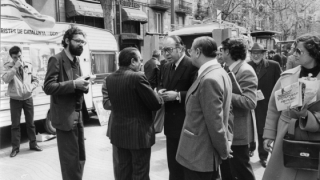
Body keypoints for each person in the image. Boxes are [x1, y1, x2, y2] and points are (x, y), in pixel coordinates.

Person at [263, 34, 320, 180]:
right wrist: (269, 135)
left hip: (314, 141)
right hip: (286, 135)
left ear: (314, 53)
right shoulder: (287, 76)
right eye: (294, 49)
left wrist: (307, 116)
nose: (294, 54)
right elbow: (273, 108)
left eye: (299, 51)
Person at [175, 36, 232, 180]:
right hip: (202, 155)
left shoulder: (209, 79)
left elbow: (215, 122)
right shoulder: (219, 72)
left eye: (191, 50)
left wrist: (224, 149)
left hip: (199, 155)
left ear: (198, 52)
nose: (190, 54)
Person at [102, 47, 162, 180]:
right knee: (140, 173)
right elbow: (155, 104)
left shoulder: (110, 78)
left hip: (119, 134)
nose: (141, 63)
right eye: (140, 60)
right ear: (133, 61)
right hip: (138, 135)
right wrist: (159, 96)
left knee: (123, 172)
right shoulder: (138, 76)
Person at [43, 26, 90, 180]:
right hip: (64, 118)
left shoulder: (76, 60)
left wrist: (84, 85)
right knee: (70, 161)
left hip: (78, 116)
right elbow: (48, 87)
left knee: (80, 158)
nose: (81, 44)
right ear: (67, 41)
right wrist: (74, 84)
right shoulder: (56, 59)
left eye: (83, 42)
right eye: (78, 41)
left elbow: (77, 84)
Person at [158, 35, 198, 180]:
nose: (166, 54)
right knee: (173, 166)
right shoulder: (166, 66)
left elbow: (198, 92)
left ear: (180, 48)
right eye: (163, 50)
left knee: (185, 166)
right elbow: (162, 84)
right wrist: (160, 90)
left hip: (186, 123)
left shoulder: (192, 65)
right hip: (170, 124)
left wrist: (177, 95)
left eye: (169, 50)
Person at [219, 38, 258, 180]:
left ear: (228, 52)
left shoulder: (245, 70)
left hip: (238, 133)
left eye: (222, 50)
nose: (219, 52)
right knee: (227, 172)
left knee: (242, 172)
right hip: (227, 130)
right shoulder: (226, 68)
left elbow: (250, 102)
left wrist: (224, 93)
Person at [2, 46, 42, 157]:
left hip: (28, 98)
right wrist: (15, 67)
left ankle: (33, 144)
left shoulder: (28, 65)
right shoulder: (7, 67)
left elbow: (36, 80)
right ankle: (15, 148)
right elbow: (5, 80)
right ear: (11, 57)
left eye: (19, 56)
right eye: (15, 57)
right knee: (15, 125)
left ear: (21, 54)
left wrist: (30, 87)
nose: (17, 59)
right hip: (15, 100)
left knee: (31, 124)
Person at [248, 43, 282, 168]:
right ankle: (250, 149)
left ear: (263, 54)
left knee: (263, 130)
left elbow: (280, 85)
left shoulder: (273, 66)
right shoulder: (247, 65)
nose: (255, 55)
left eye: (258, 53)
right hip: (249, 103)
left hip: (266, 104)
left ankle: (263, 156)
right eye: (253, 53)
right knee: (250, 129)